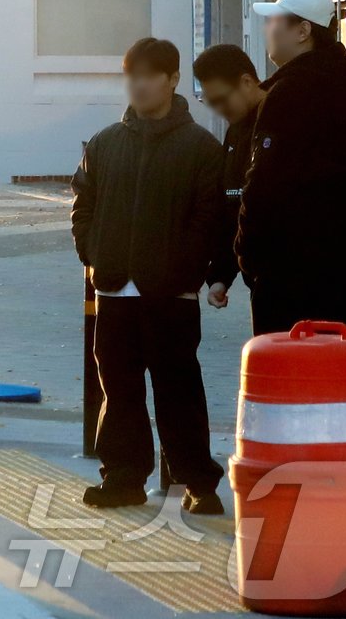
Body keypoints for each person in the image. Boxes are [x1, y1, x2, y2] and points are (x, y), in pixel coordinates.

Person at [71, 38, 226, 514]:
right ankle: (122, 477)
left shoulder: (200, 148)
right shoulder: (104, 144)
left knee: (178, 388)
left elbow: (209, 219)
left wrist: (185, 272)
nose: (138, 84)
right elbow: (83, 209)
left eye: (149, 75)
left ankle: (198, 481)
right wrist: (95, 256)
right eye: (131, 75)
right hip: (116, 288)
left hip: (172, 293)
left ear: (173, 80)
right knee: (119, 390)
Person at [240, 0, 346, 335]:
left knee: (285, 376)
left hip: (287, 269)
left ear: (303, 31)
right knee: (328, 372)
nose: (267, 28)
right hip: (344, 267)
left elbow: (263, 183)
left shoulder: (288, 93)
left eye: (275, 20)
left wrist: (247, 253)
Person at [192, 44, 265, 312]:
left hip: (294, 278)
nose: (218, 109)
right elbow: (231, 208)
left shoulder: (280, 121)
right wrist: (221, 276)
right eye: (210, 103)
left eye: (222, 99)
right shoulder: (235, 132)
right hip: (259, 280)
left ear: (246, 81)